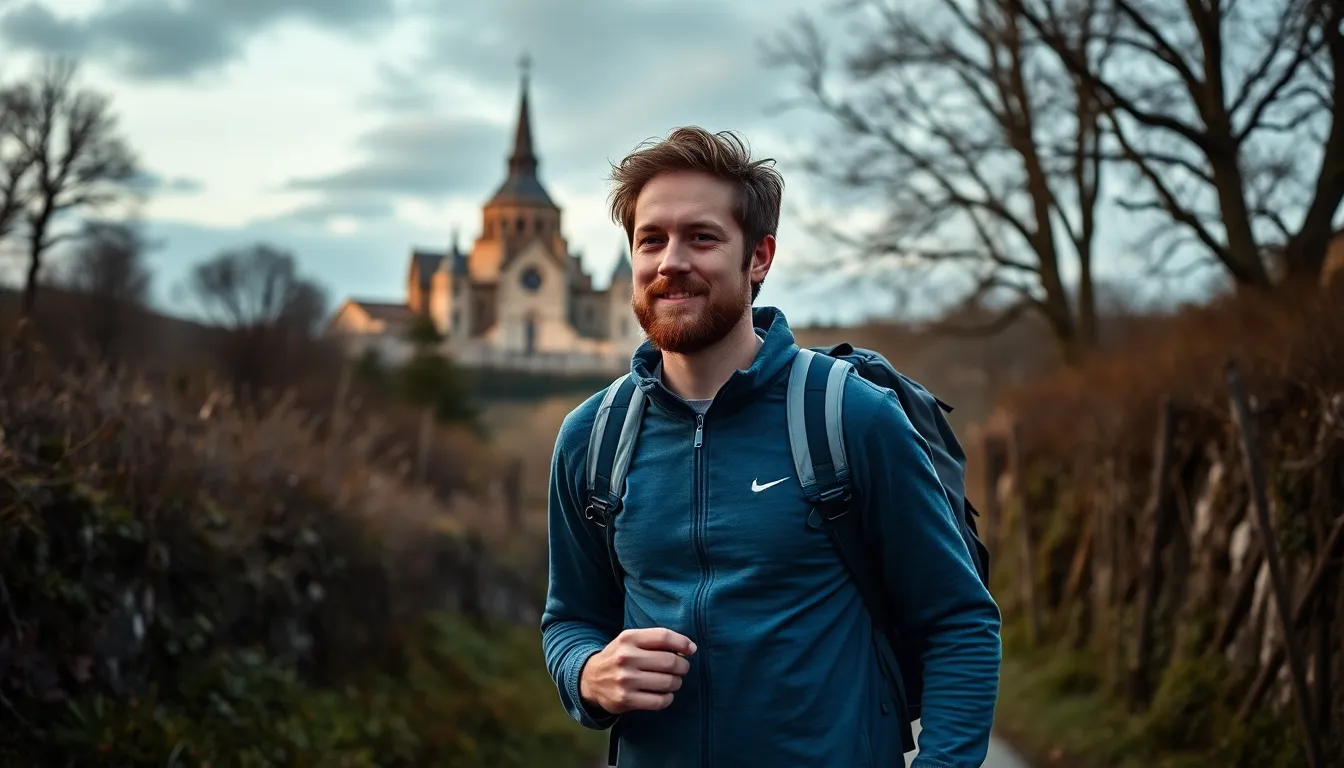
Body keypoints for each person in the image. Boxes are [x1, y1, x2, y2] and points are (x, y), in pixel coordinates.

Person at [540, 126, 1001, 767]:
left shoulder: (852, 417)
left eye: (702, 237)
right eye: (652, 239)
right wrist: (587, 675)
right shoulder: (592, 437)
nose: (671, 261)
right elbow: (569, 619)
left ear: (758, 257)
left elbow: (959, 622)